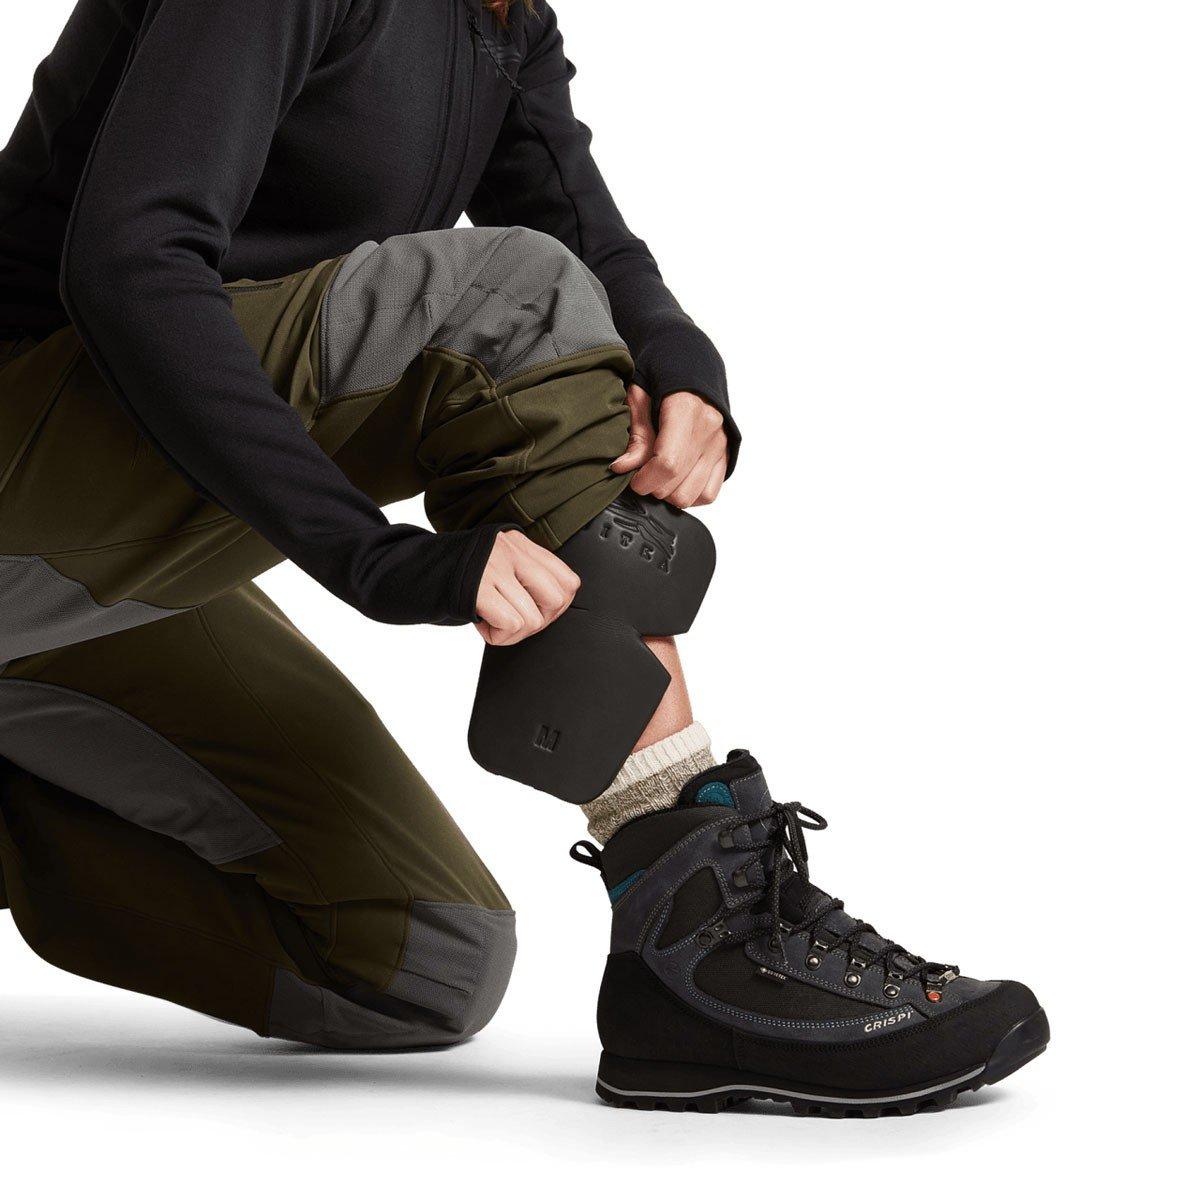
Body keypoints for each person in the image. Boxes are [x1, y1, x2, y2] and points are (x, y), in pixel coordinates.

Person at [0, 0, 1046, 1115]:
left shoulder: (499, 19)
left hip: (66, 585)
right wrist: (372, 558)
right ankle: (700, 930)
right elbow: (133, 261)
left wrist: (679, 362)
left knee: (423, 958)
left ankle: (693, 937)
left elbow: (578, 223)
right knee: (511, 302)